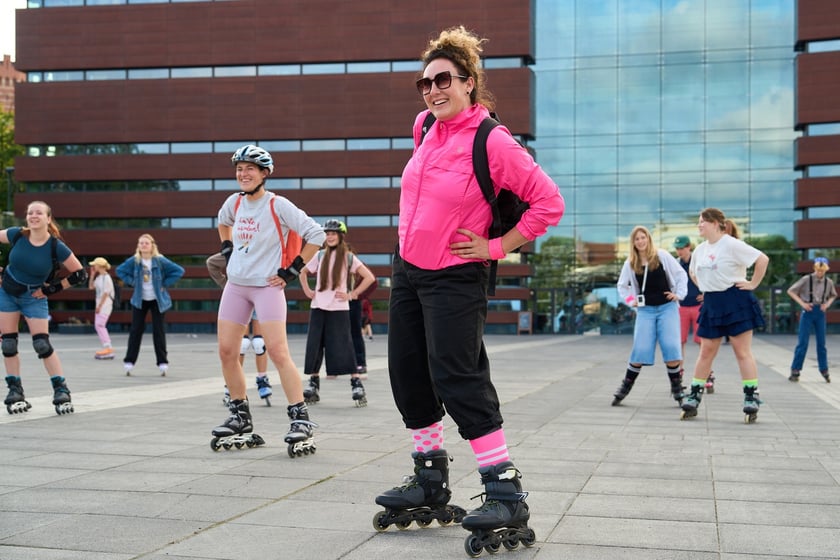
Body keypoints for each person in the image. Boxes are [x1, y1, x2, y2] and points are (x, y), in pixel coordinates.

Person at [372, 26, 564, 551]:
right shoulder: (423, 128)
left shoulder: (492, 140)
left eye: (444, 80)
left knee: (457, 374)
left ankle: (504, 488)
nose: (433, 90)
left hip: (456, 274)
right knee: (408, 371)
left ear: (469, 83)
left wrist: (497, 247)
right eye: (425, 82)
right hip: (408, 268)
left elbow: (549, 203)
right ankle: (430, 478)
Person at [213, 144, 326, 450]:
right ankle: (240, 415)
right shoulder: (234, 204)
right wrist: (227, 249)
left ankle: (300, 418)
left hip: (266, 287)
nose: (243, 174)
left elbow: (317, 235)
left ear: (264, 174)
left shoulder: (278, 205)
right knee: (226, 352)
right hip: (235, 285)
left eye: (250, 169)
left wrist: (292, 271)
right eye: (239, 169)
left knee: (277, 351)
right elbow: (222, 222)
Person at [681, 207, 769, 423]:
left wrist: (753, 284)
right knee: (706, 352)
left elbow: (762, 259)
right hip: (712, 303)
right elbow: (693, 272)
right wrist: (705, 288)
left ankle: (751, 397)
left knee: (742, 351)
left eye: (703, 221)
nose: (699, 225)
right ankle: (694, 395)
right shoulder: (700, 250)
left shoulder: (730, 244)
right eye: (699, 221)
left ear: (716, 223)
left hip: (735, 300)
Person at [1, 201, 88, 415]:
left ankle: (61, 390)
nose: (33, 216)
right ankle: (15, 390)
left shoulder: (55, 246)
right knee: (9, 344)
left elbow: (79, 274)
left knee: (42, 344)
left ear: (48, 219)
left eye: (39, 213)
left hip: (34, 297)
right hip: (8, 293)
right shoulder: (17, 235)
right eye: (30, 212)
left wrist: (51, 290)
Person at [300, 220, 375, 406]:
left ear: (341, 236)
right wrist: (308, 291)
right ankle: (313, 384)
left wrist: (353, 294)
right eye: (327, 234)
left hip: (339, 308)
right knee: (315, 345)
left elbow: (369, 277)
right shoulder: (319, 255)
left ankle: (356, 383)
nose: (330, 236)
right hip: (318, 307)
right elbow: (302, 272)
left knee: (344, 345)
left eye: (333, 234)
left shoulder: (348, 257)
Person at [612, 226, 688, 406]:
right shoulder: (631, 262)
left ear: (648, 239)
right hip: (645, 310)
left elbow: (680, 275)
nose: (640, 241)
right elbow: (622, 286)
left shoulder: (662, 256)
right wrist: (631, 300)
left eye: (643, 237)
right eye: (637, 239)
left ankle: (677, 390)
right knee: (640, 349)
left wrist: (679, 294)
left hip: (666, 307)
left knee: (671, 347)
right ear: (633, 243)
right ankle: (625, 386)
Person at [206, 252, 271, 404]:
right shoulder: (236, 248)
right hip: (240, 295)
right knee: (240, 344)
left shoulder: (265, 245)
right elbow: (212, 263)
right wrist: (227, 286)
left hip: (260, 292)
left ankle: (262, 378)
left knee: (259, 343)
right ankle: (232, 384)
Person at [116, 234, 184, 376]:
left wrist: (164, 283)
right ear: (138, 246)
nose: (143, 245)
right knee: (136, 331)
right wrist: (133, 282)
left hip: (157, 301)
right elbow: (120, 271)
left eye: (146, 243)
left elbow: (179, 271)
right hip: (139, 301)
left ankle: (162, 362)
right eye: (141, 243)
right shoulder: (135, 261)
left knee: (158, 331)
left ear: (152, 245)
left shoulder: (159, 261)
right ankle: (129, 361)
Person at [787, 257, 836, 383]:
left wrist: (827, 304)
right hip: (808, 311)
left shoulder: (828, 282)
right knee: (803, 342)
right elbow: (791, 291)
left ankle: (824, 369)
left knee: (822, 344)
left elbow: (833, 295)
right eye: (818, 270)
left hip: (820, 312)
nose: (820, 273)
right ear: (814, 268)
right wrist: (802, 304)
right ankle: (795, 370)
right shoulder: (806, 279)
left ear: (826, 269)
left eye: (822, 271)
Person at [88, 257, 116, 360]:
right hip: (100, 305)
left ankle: (108, 347)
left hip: (105, 305)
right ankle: (107, 347)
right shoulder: (99, 277)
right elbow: (91, 287)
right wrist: (92, 276)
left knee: (100, 325)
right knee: (98, 325)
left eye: (94, 265)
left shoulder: (107, 278)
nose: (93, 266)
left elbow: (106, 293)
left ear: (99, 266)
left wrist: (99, 306)